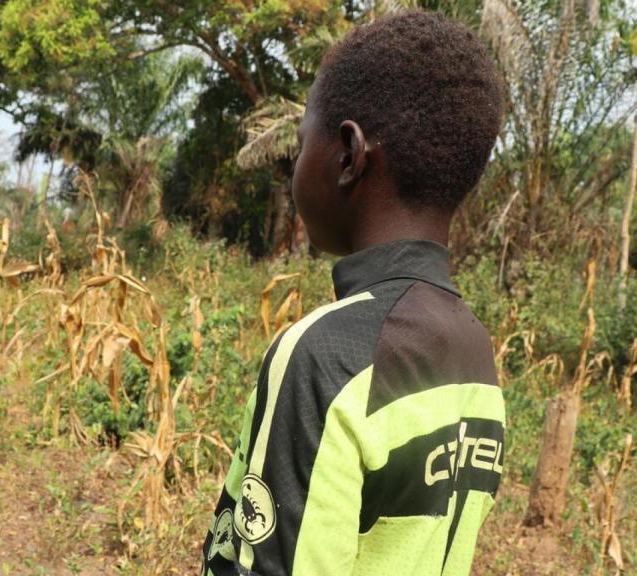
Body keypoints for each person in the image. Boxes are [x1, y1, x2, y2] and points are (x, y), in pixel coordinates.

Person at [201, 10, 505, 576]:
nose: (295, 169)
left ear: (347, 154)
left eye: (300, 145)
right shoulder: (475, 351)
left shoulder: (326, 356)